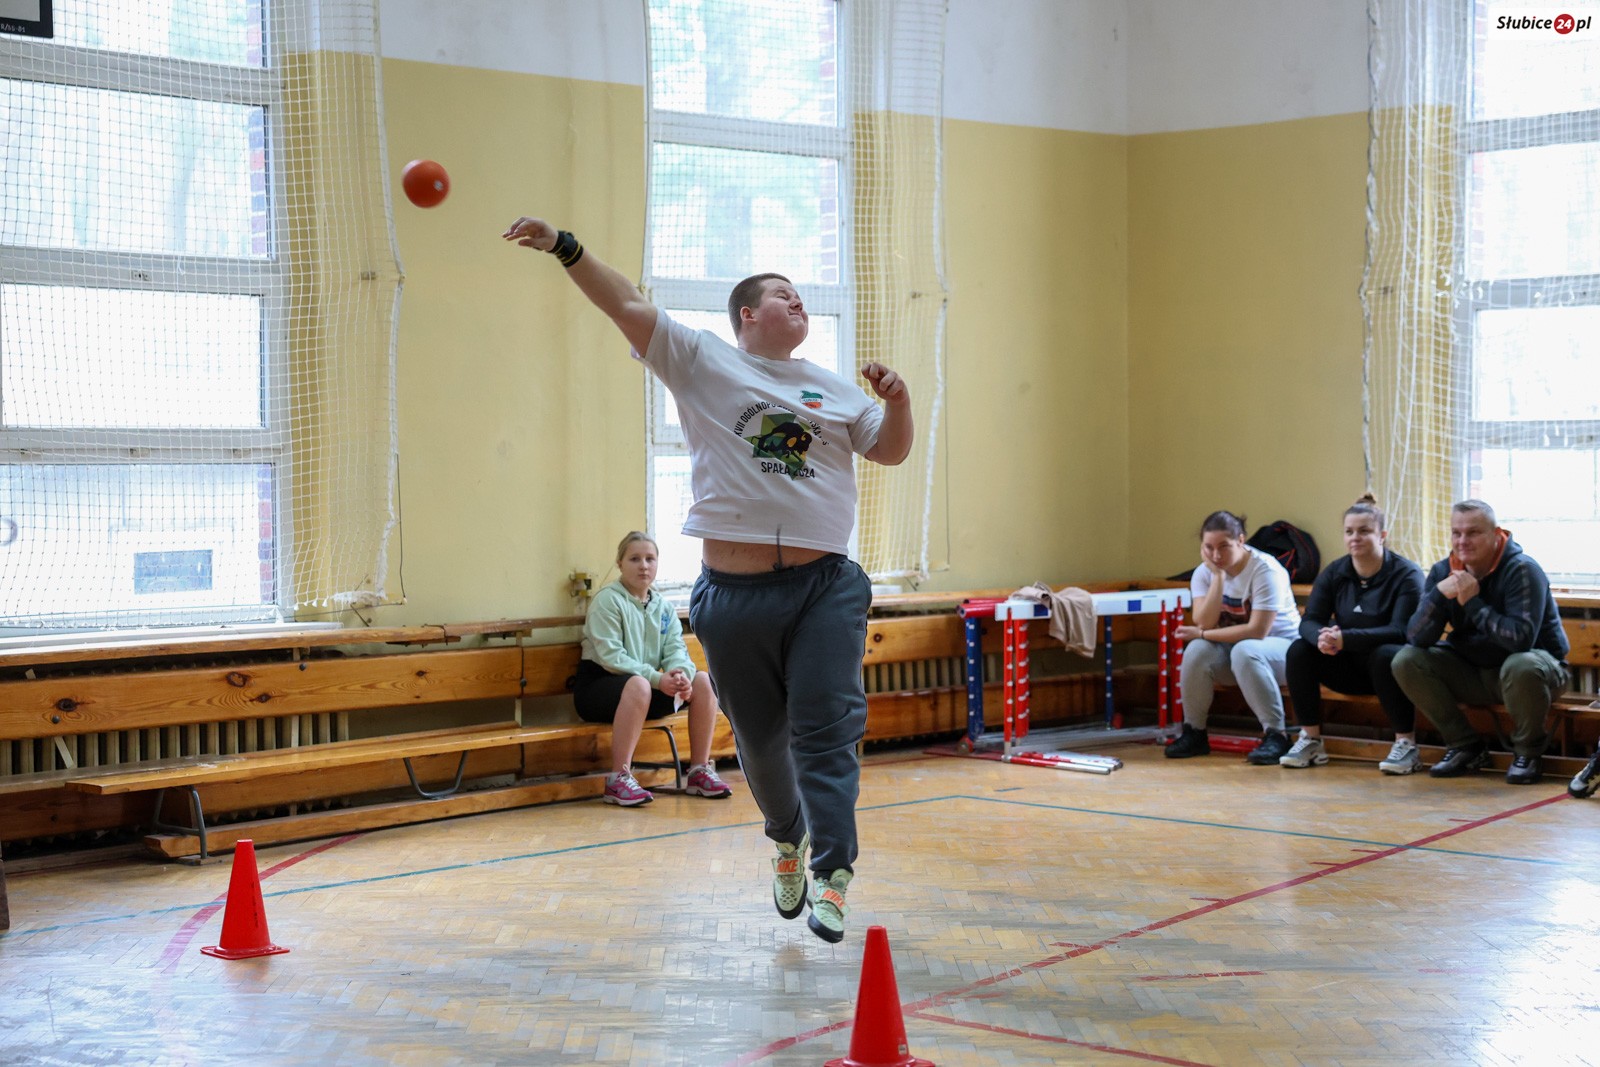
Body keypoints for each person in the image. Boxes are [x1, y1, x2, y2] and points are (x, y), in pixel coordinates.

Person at [502, 217, 913, 943]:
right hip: (734, 597)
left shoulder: (834, 390)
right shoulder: (701, 360)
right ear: (747, 315)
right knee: (760, 740)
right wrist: (567, 246)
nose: (799, 301)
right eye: (783, 294)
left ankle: (834, 872)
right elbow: (625, 302)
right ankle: (787, 841)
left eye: (802, 294)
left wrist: (899, 401)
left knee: (826, 726)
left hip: (824, 587)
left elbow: (891, 451)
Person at [1391, 500, 1569, 784]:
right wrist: (1438, 596)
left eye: (1473, 532)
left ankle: (1528, 753)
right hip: (1474, 672)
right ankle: (1465, 746)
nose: (1462, 541)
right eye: (1456, 533)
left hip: (1535, 673)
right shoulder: (1443, 571)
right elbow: (1416, 637)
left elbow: (1520, 641)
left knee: (1521, 665)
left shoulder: (1523, 569)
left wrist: (1473, 603)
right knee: (1406, 660)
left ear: (1496, 534)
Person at [574, 531, 733, 807]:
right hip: (599, 688)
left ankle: (699, 771)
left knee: (702, 681)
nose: (643, 566)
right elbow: (611, 656)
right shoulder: (607, 601)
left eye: (650, 559)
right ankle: (618, 779)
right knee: (639, 684)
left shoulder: (663, 607)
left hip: (646, 688)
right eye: (635, 559)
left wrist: (680, 675)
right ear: (620, 563)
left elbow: (676, 650)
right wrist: (658, 679)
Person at [1279, 495, 1425, 772]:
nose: (1355, 538)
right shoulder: (1336, 571)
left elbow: (1401, 631)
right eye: (1349, 532)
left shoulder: (1407, 574)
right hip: (1346, 669)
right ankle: (1310, 740)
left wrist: (1346, 638)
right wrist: (1321, 638)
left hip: (1390, 673)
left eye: (1364, 531)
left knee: (1387, 655)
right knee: (1299, 650)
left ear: (1382, 536)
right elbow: (1309, 621)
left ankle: (1406, 745)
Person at [1167, 510, 1302, 764]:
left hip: (1285, 653)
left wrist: (1204, 633)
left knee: (1244, 649)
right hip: (1240, 654)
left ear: (1241, 540)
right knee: (1196, 650)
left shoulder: (1265, 570)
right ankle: (1194, 732)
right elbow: (1204, 621)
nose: (1216, 556)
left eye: (1224, 547)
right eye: (1208, 548)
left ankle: (1277, 735)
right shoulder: (1205, 572)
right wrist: (1218, 578)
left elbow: (1257, 631)